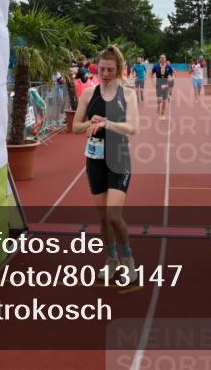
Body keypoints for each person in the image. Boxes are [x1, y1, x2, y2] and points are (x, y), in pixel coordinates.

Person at [72, 44, 139, 282]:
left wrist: (108, 123)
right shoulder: (89, 94)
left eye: (110, 70)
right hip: (94, 160)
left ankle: (128, 259)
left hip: (119, 157)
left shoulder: (128, 94)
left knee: (113, 215)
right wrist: (91, 121)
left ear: (118, 69)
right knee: (102, 218)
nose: (106, 74)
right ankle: (112, 259)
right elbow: (75, 127)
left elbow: (133, 127)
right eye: (102, 69)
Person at [151, 54, 175, 119]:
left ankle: (162, 114)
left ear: (165, 59)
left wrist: (171, 78)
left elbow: (173, 74)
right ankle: (158, 105)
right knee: (159, 99)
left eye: (164, 58)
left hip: (166, 83)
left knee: (164, 100)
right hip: (158, 83)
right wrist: (153, 82)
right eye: (161, 58)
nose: (163, 59)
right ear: (159, 59)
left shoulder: (168, 67)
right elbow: (151, 74)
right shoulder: (156, 66)